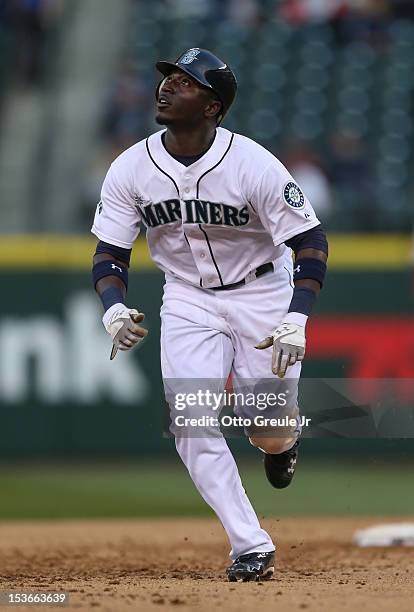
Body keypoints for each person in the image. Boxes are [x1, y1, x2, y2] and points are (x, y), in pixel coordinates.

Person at [91, 48, 328, 582]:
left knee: (266, 427)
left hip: (263, 294)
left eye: (186, 81)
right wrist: (112, 308)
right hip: (187, 298)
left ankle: (281, 446)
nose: (169, 86)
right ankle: (251, 544)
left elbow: (310, 242)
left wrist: (297, 316)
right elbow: (109, 255)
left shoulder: (254, 164)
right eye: (168, 77)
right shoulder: (131, 167)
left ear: (213, 107)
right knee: (190, 419)